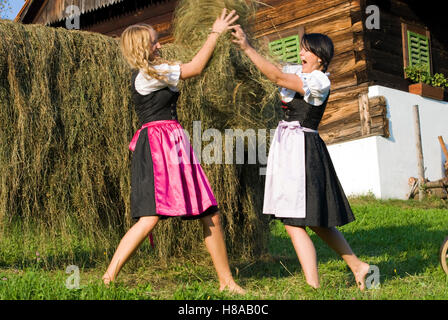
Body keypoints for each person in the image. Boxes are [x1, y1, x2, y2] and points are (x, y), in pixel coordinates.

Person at [102, 9, 245, 295]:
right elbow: (195, 68)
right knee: (150, 218)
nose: (160, 45)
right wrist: (215, 32)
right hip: (159, 146)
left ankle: (227, 282)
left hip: (172, 142)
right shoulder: (148, 75)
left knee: (209, 212)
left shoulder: (156, 71)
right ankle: (107, 279)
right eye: (154, 42)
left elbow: (187, 66)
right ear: (143, 47)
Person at [231, 26, 370, 290]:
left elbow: (274, 75)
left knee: (294, 221)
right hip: (288, 148)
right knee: (313, 220)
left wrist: (247, 47)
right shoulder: (300, 71)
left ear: (320, 58)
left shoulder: (319, 81)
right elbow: (275, 67)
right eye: (302, 48)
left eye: (307, 50)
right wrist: (247, 45)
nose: (301, 52)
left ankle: (313, 286)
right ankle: (357, 266)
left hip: (302, 150)